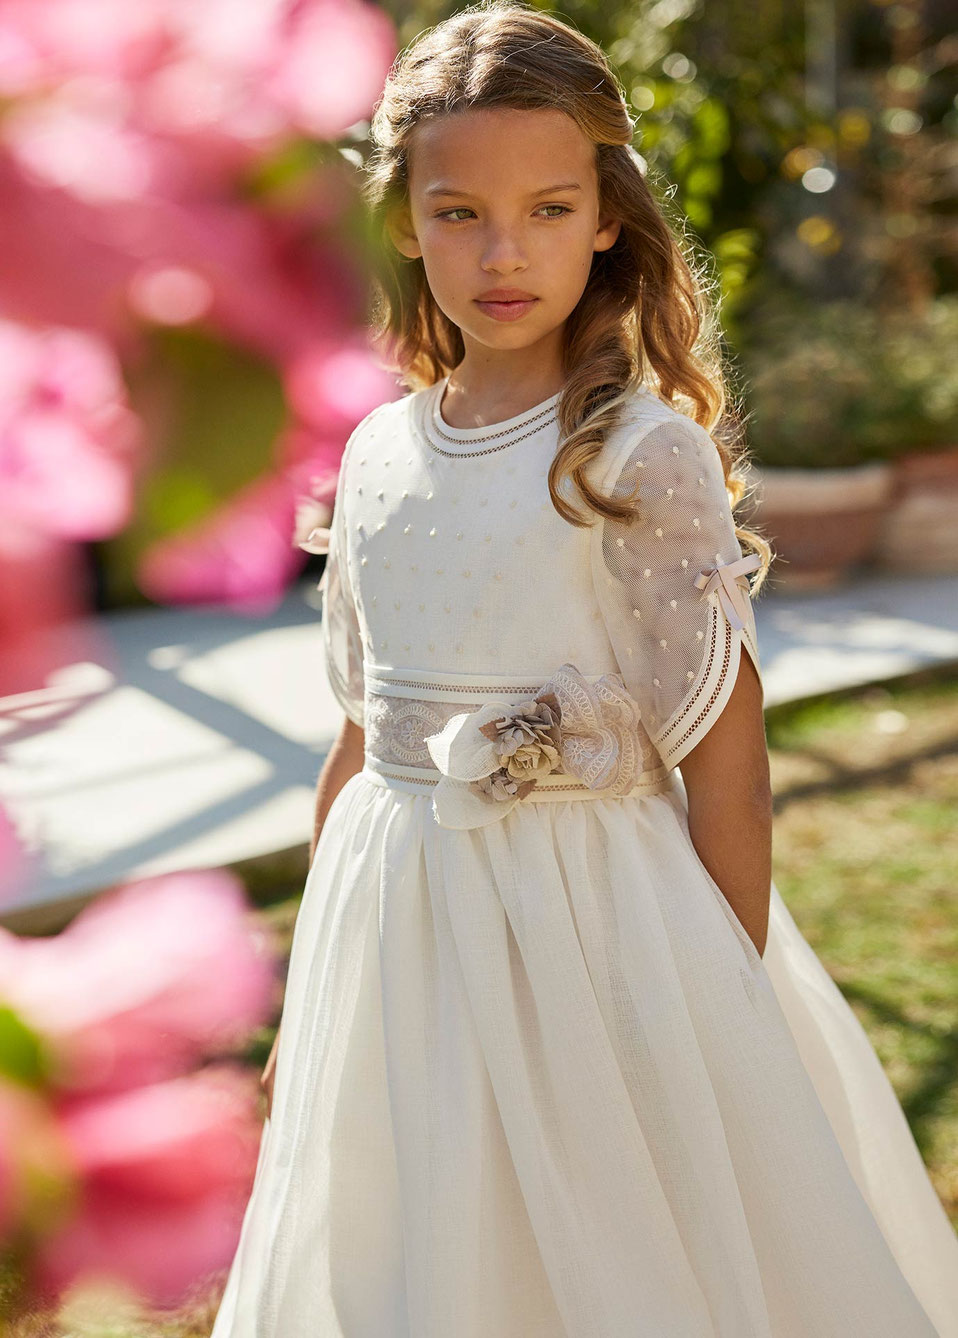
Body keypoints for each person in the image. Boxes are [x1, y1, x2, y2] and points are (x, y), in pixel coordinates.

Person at [211, 3, 958, 1334]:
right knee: (426, 1234)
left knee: (607, 1241)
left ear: (605, 214)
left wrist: (715, 1008)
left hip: (591, 925)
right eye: (458, 213)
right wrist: (301, 1010)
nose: (504, 252)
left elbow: (724, 758)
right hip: (399, 923)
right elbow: (356, 734)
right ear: (399, 218)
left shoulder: (634, 454)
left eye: (547, 208)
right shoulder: (373, 452)